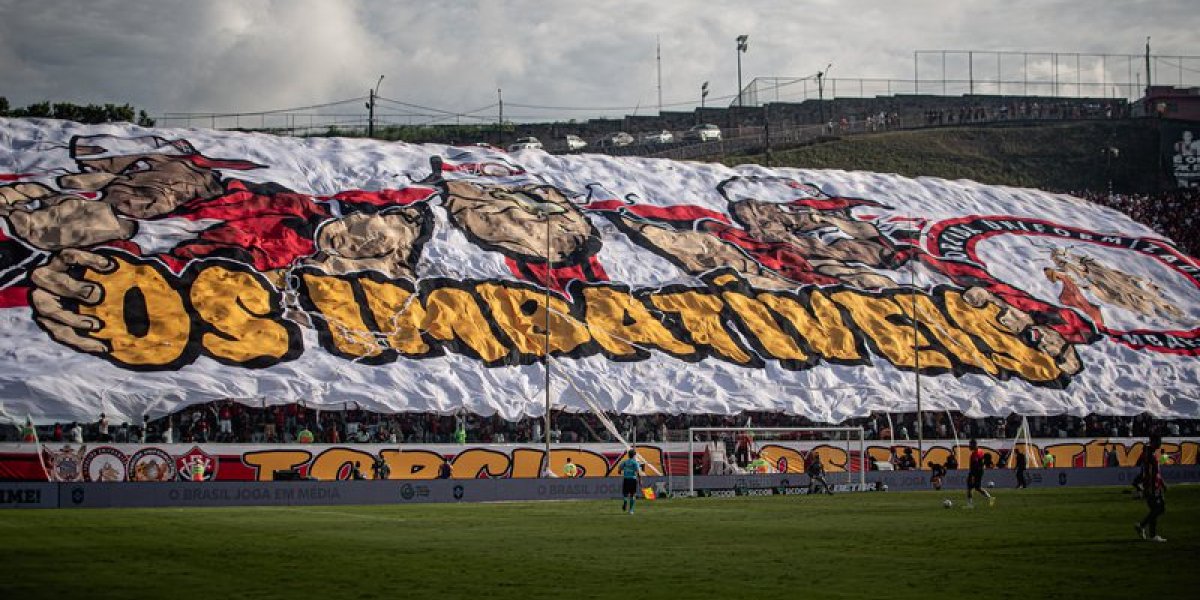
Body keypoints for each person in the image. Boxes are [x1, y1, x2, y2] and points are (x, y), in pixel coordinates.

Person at [1135, 436, 1168, 542]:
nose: (1160, 443)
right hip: (1152, 487)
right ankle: (1142, 526)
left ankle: (1152, 535)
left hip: (1154, 486)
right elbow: (1149, 472)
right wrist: (1149, 487)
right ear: (1153, 442)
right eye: (1158, 441)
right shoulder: (1149, 455)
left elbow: (1154, 471)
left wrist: (1162, 483)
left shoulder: (1150, 453)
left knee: (1155, 509)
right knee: (1159, 509)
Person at [966, 439, 994, 508]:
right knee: (977, 488)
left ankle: (970, 504)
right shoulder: (980, 451)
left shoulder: (975, 453)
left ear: (974, 444)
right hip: (980, 471)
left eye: (970, 444)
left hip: (975, 472)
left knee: (970, 487)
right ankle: (990, 498)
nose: (969, 446)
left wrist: (972, 476)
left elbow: (975, 465)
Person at [619, 449, 642, 514]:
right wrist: (640, 480)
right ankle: (631, 510)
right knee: (632, 494)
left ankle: (625, 500)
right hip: (633, 479)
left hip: (626, 479)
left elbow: (620, 468)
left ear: (628, 455)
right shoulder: (635, 462)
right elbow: (638, 472)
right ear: (634, 455)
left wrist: (620, 471)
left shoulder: (625, 461)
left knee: (625, 493)